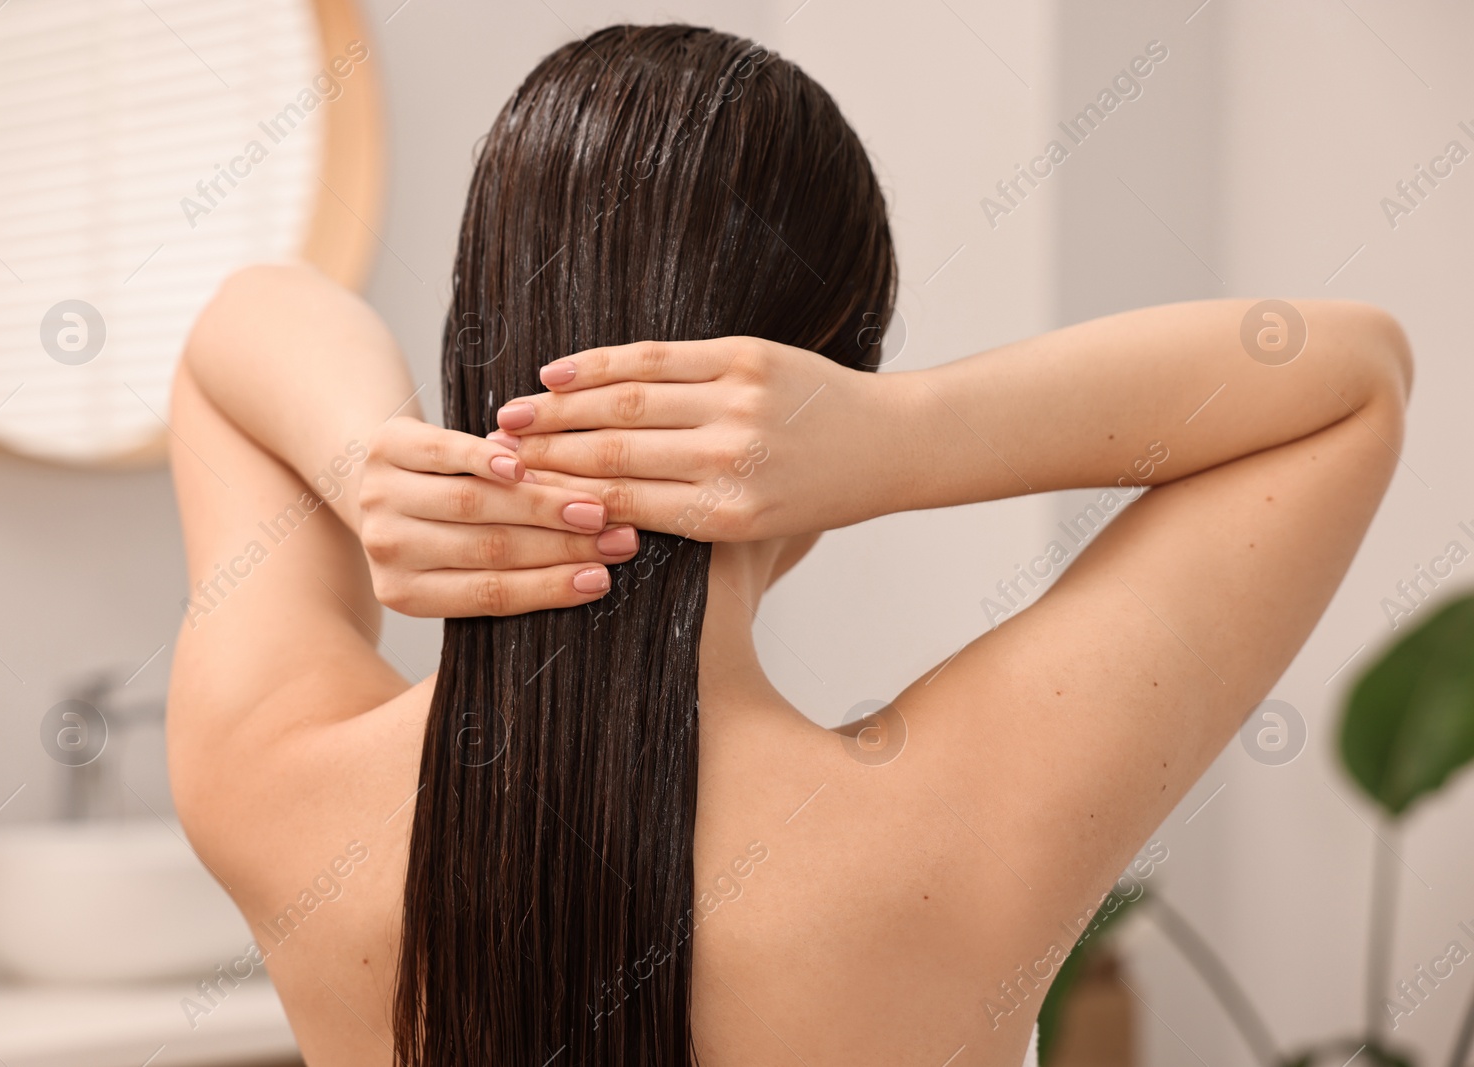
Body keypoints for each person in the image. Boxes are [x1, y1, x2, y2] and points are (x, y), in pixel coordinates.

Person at [165, 23, 1412, 1067]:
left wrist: (362, 454)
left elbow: (237, 328)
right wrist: (908, 436)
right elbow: (1350, 374)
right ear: (824, 397)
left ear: (474, 354)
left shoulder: (276, 781)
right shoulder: (958, 828)